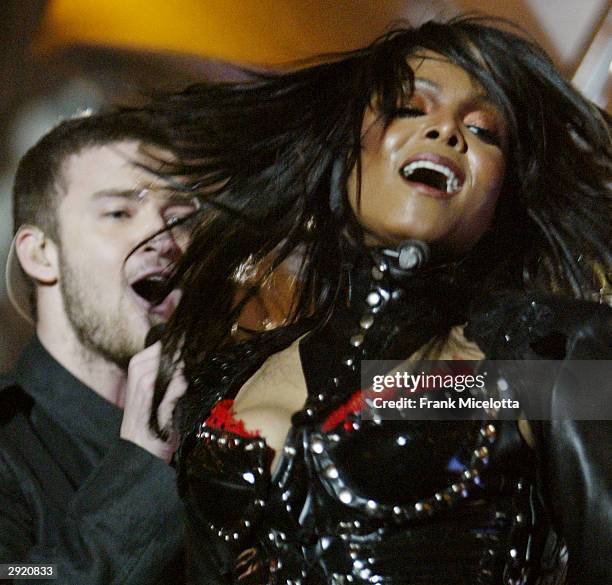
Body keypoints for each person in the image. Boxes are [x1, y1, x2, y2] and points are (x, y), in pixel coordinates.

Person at [146, 16, 611, 584]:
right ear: (347, 147)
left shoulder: (546, 358)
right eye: (410, 108)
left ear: (502, 196)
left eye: (484, 129)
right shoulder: (230, 377)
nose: (445, 131)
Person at [0, 111, 197, 584]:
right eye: (119, 213)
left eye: (179, 217)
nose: (163, 238)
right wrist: (143, 464)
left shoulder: (220, 421)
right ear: (41, 254)